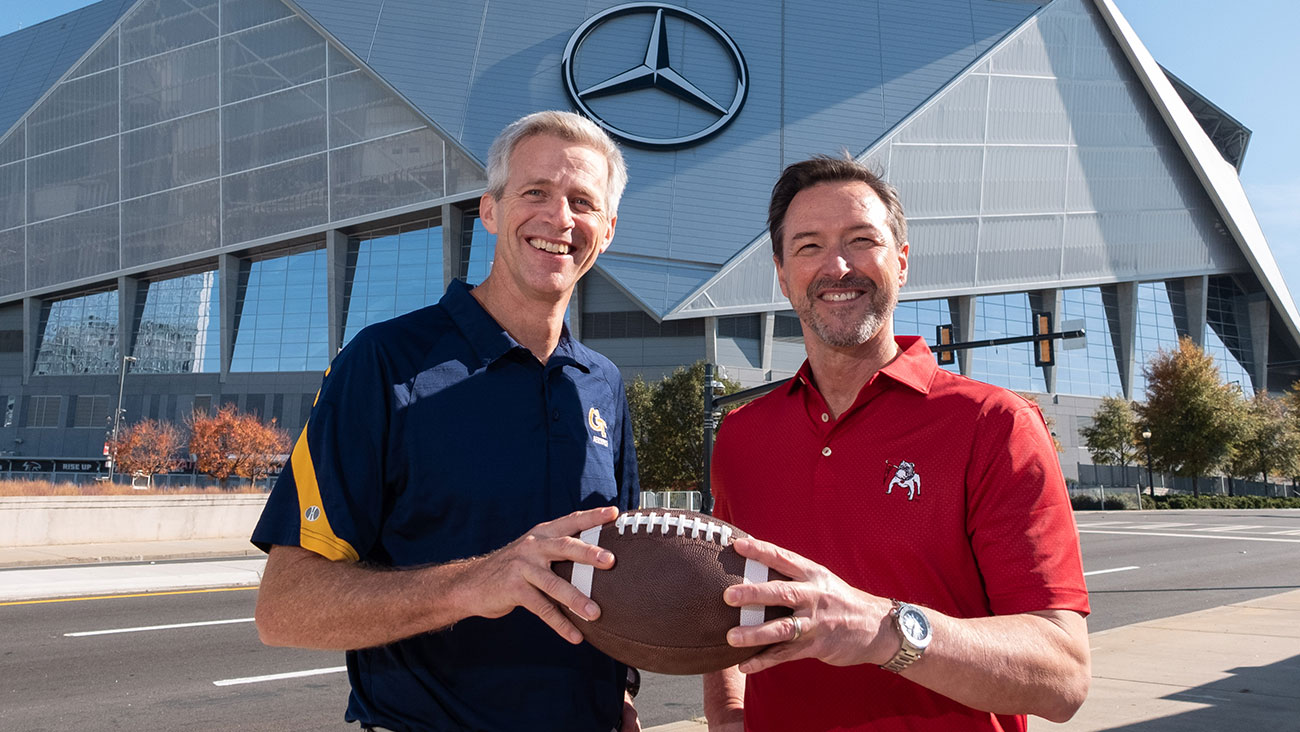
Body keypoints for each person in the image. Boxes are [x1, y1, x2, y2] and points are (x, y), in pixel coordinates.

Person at [252, 111, 642, 732]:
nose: (559, 218)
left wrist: (620, 694)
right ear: (490, 210)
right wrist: (473, 585)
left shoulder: (603, 385)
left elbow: (615, 576)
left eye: (582, 201)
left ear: (608, 229)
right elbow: (284, 607)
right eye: (534, 192)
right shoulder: (383, 364)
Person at [703, 155, 1091, 732]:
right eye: (809, 246)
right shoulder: (742, 435)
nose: (838, 266)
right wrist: (729, 713)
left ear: (901, 263)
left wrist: (880, 631)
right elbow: (726, 605)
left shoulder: (995, 424)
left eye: (862, 240)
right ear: (783, 276)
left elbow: (1063, 678)